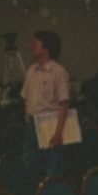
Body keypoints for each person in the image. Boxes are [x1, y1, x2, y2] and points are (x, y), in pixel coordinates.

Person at [20, 31, 69, 177]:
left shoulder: (58, 72)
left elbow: (64, 103)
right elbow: (25, 96)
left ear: (46, 49)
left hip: (51, 123)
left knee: (52, 166)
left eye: (35, 44)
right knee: (29, 162)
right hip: (33, 123)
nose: (31, 47)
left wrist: (59, 131)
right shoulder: (31, 70)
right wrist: (26, 114)